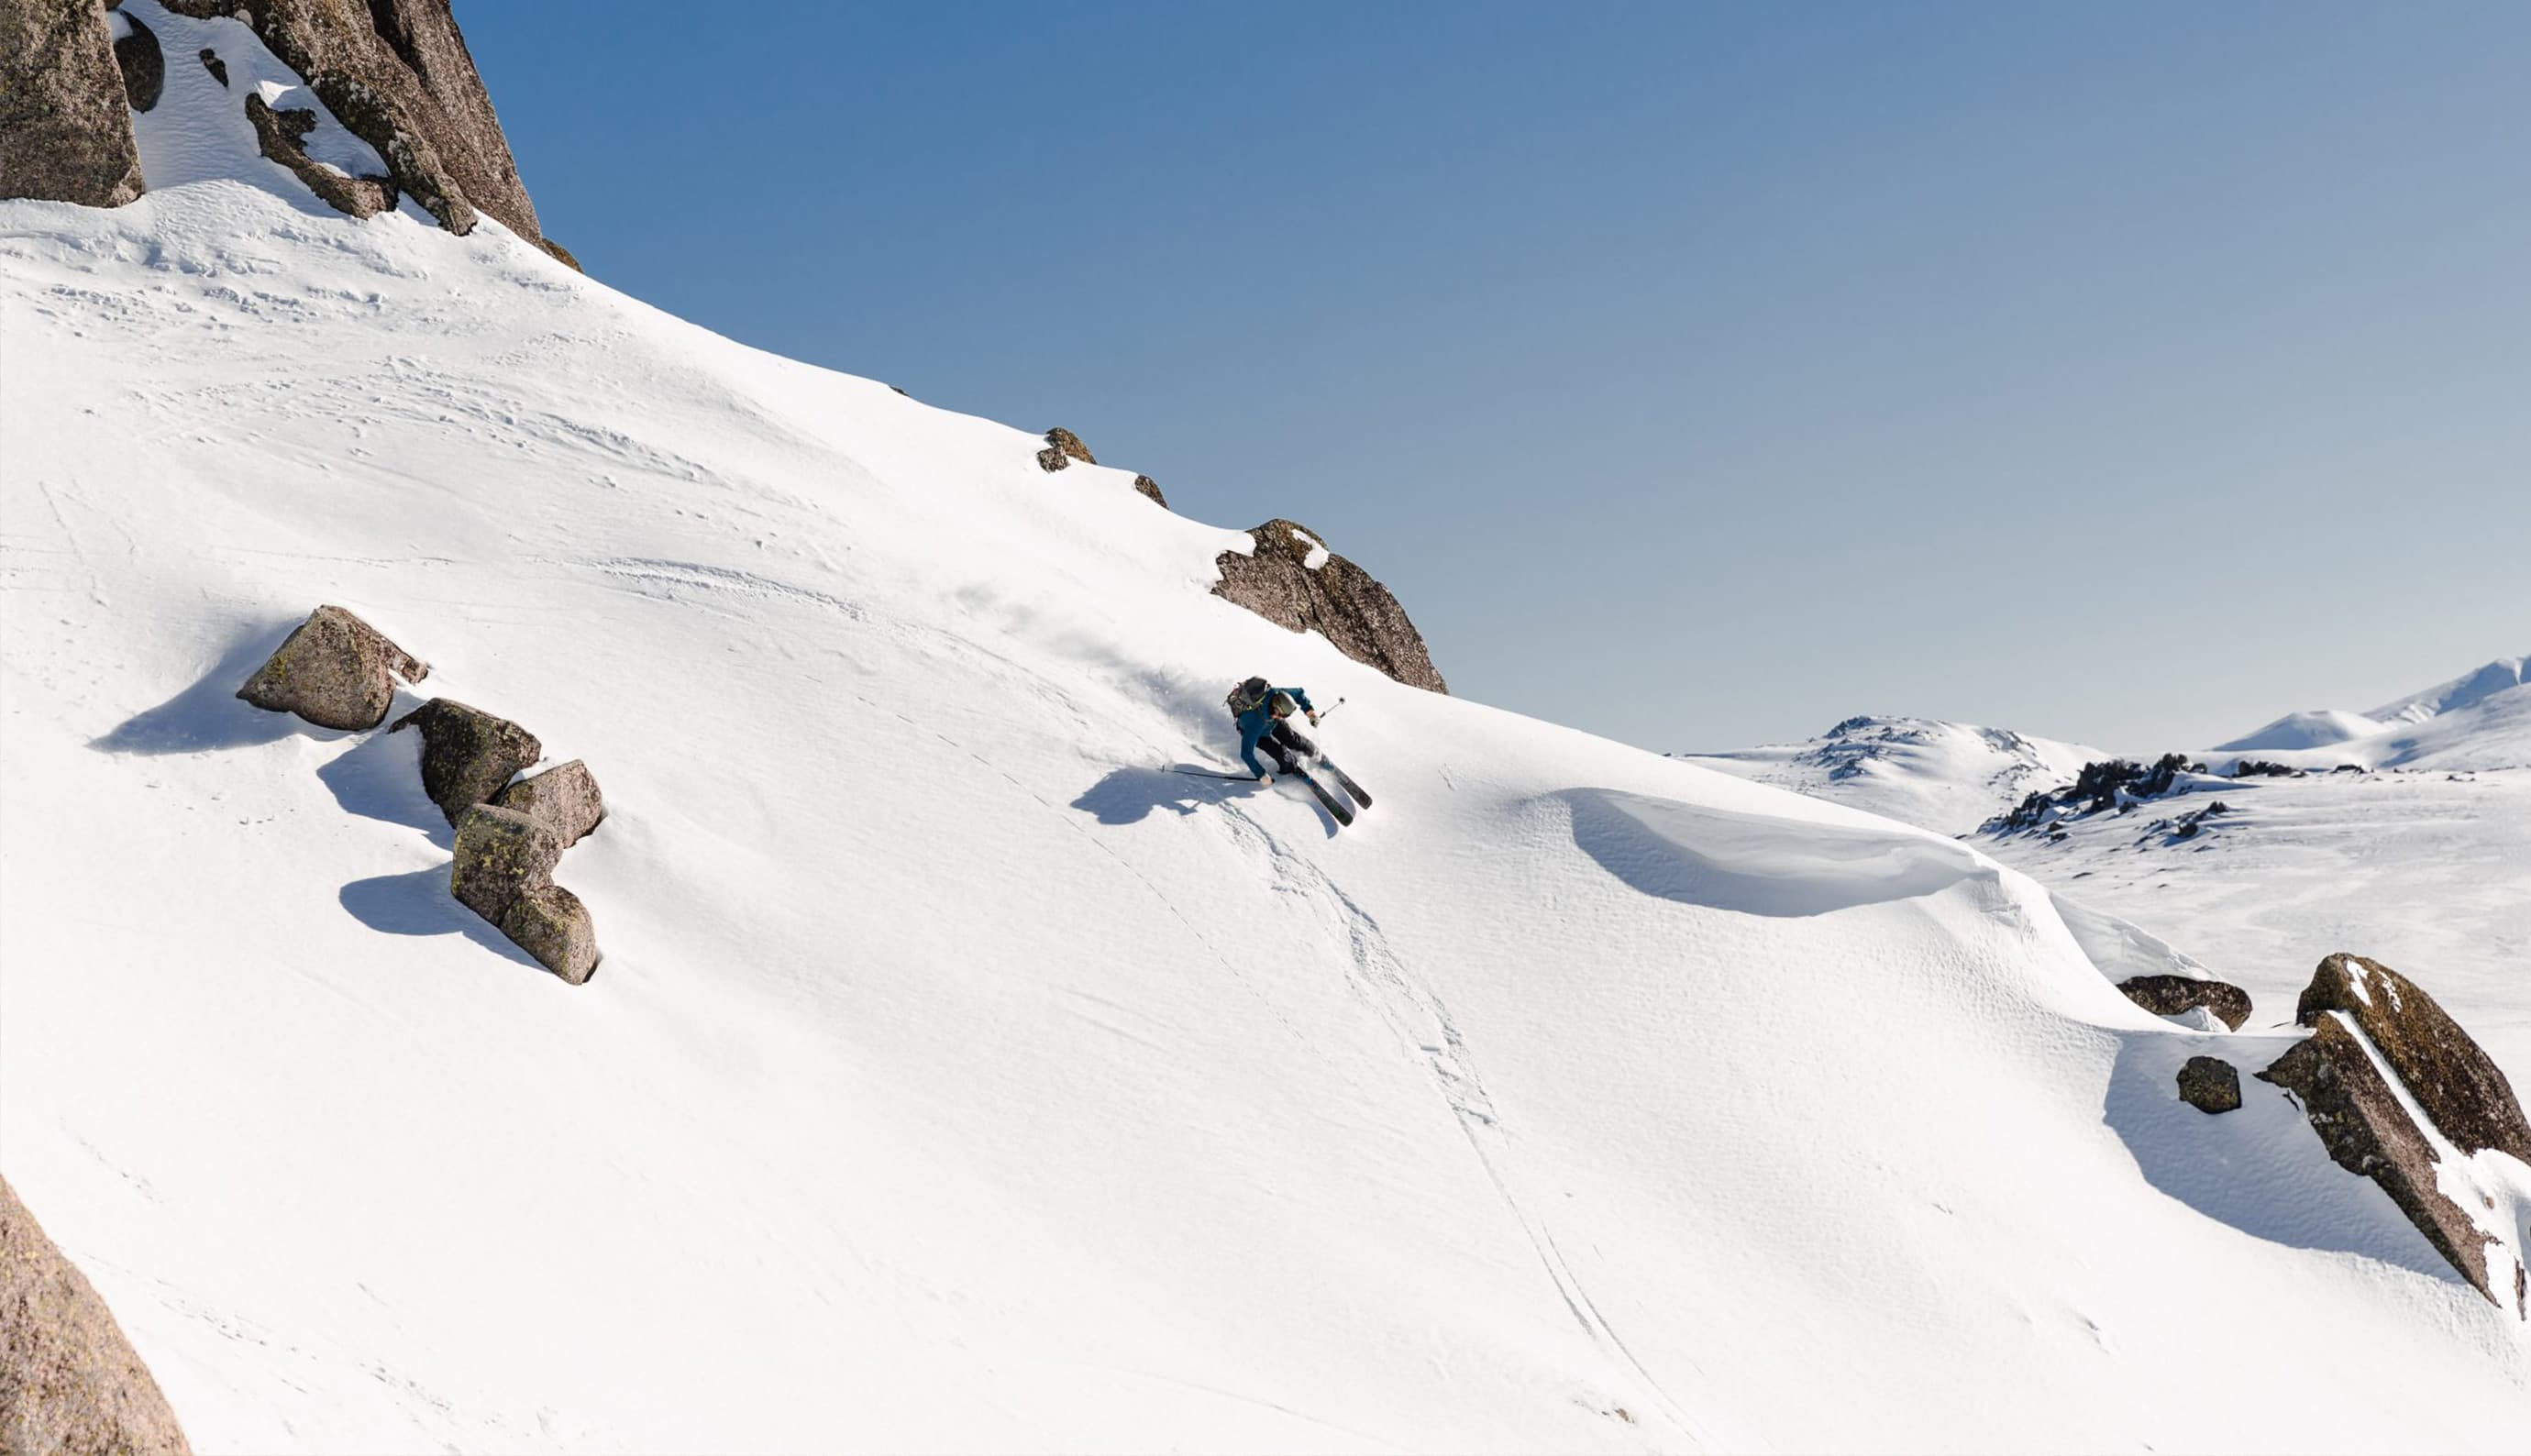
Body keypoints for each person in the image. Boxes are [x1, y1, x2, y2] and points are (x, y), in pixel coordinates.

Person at [1230, 676, 1321, 780]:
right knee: (1281, 754)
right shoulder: (1254, 724)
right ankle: (1291, 767)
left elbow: (1299, 693)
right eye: (1282, 715)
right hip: (1260, 734)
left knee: (1292, 739)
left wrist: (1311, 714)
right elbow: (1246, 753)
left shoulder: (1278, 695)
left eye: (1285, 716)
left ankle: (1313, 751)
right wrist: (1261, 775)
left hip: (1271, 722)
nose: (1283, 718)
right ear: (1276, 708)